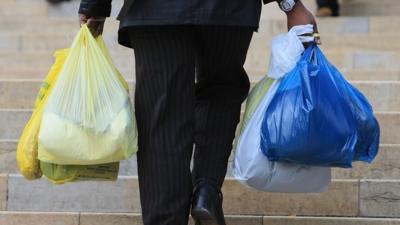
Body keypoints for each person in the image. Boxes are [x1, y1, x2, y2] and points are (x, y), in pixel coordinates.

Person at [78, 0, 319, 224]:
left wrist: (95, 5)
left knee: (162, 115)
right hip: (228, 9)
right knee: (220, 89)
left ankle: (166, 218)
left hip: (156, 9)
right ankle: (206, 189)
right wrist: (291, 5)